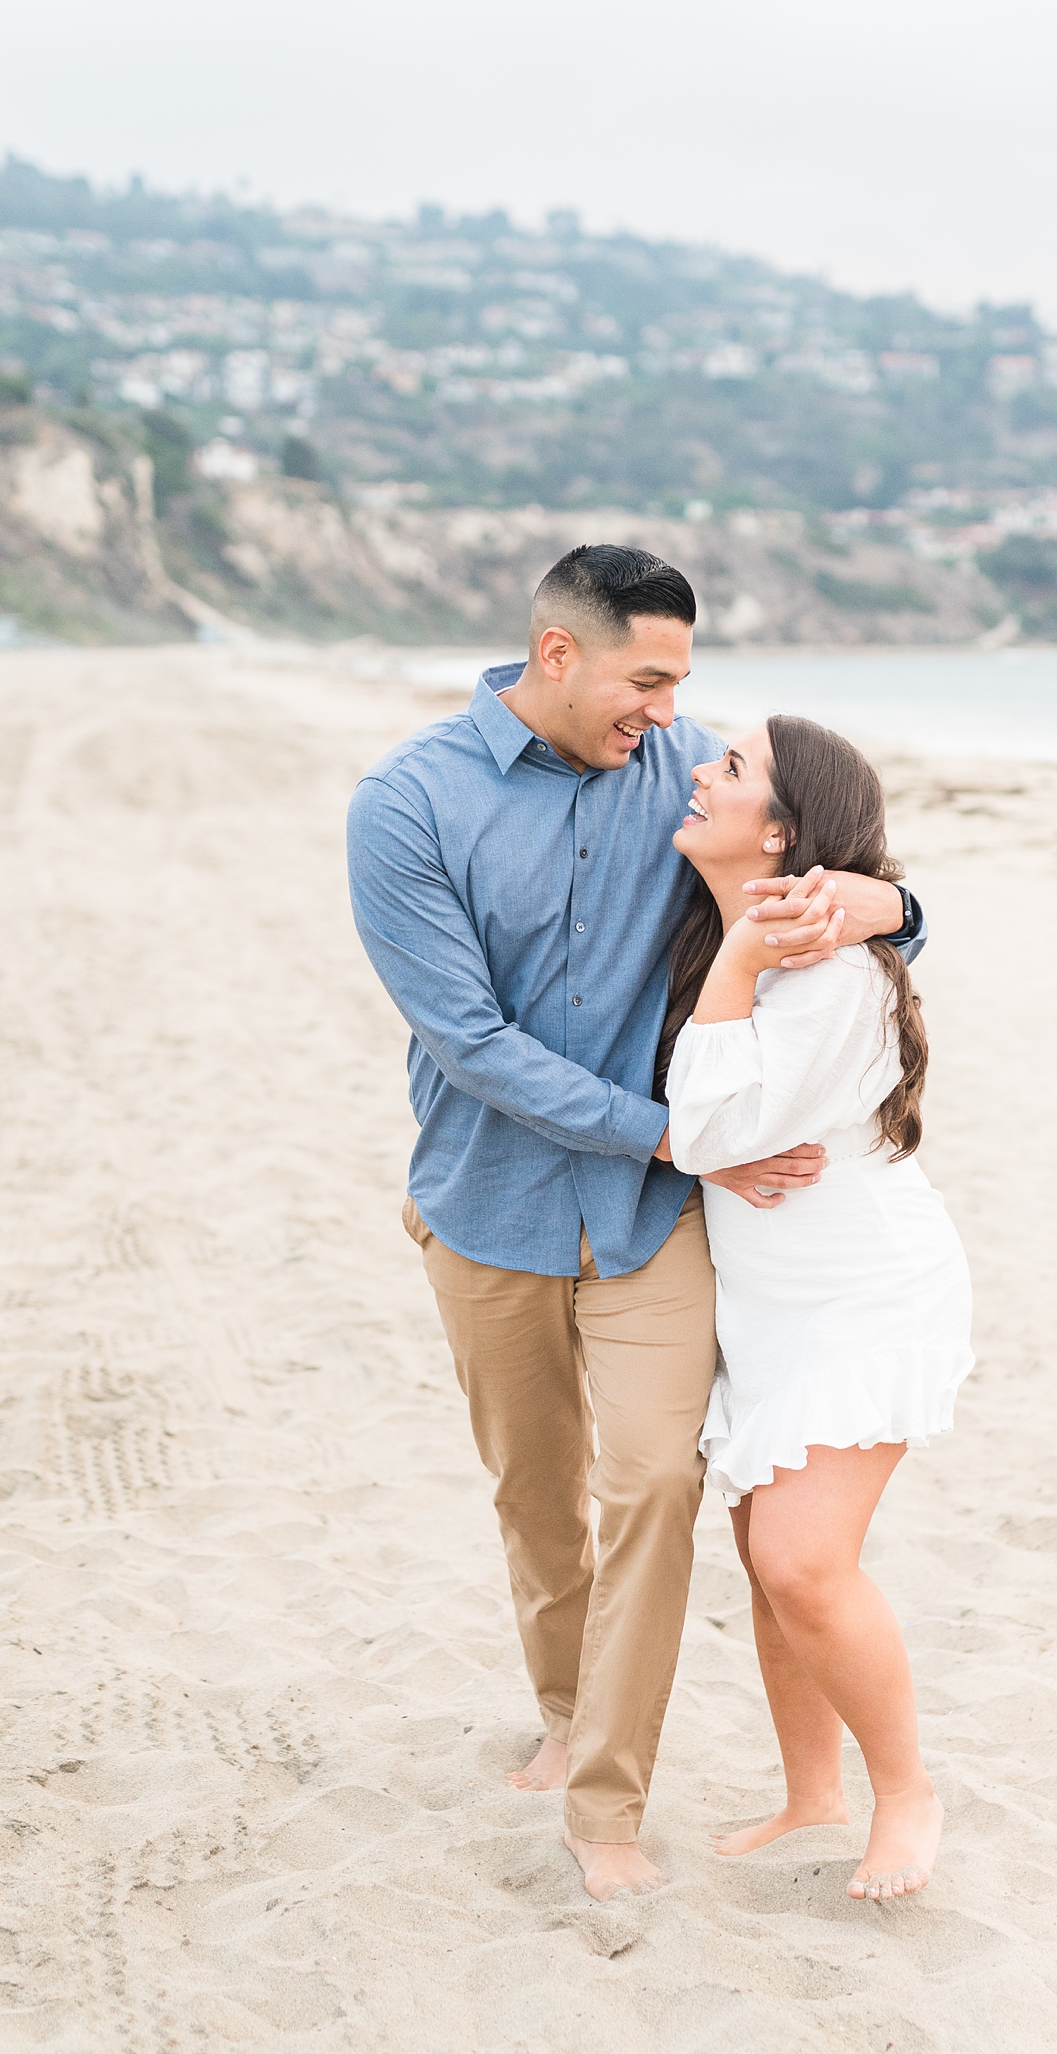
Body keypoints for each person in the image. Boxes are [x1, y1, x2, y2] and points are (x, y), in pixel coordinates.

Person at [346, 545, 927, 1901]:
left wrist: (902, 901)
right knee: (536, 1496)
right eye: (647, 679)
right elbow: (470, 1040)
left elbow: (831, 870)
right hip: (487, 1206)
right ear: (560, 653)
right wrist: (679, 1130)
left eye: (685, 684)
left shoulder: (690, 775)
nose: (671, 714)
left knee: (657, 1482)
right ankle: (563, 1716)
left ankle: (608, 1804)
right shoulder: (409, 805)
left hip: (652, 1217)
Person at [663, 714, 973, 1902]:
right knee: (765, 1554)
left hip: (862, 1292)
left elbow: (709, 1131)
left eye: (731, 768)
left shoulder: (830, 975)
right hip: (773, 1303)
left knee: (803, 1557)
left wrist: (746, 957)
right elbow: (713, 1127)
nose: (698, 769)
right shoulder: (729, 929)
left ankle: (907, 1793)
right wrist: (744, 946)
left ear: (784, 833)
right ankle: (811, 1793)